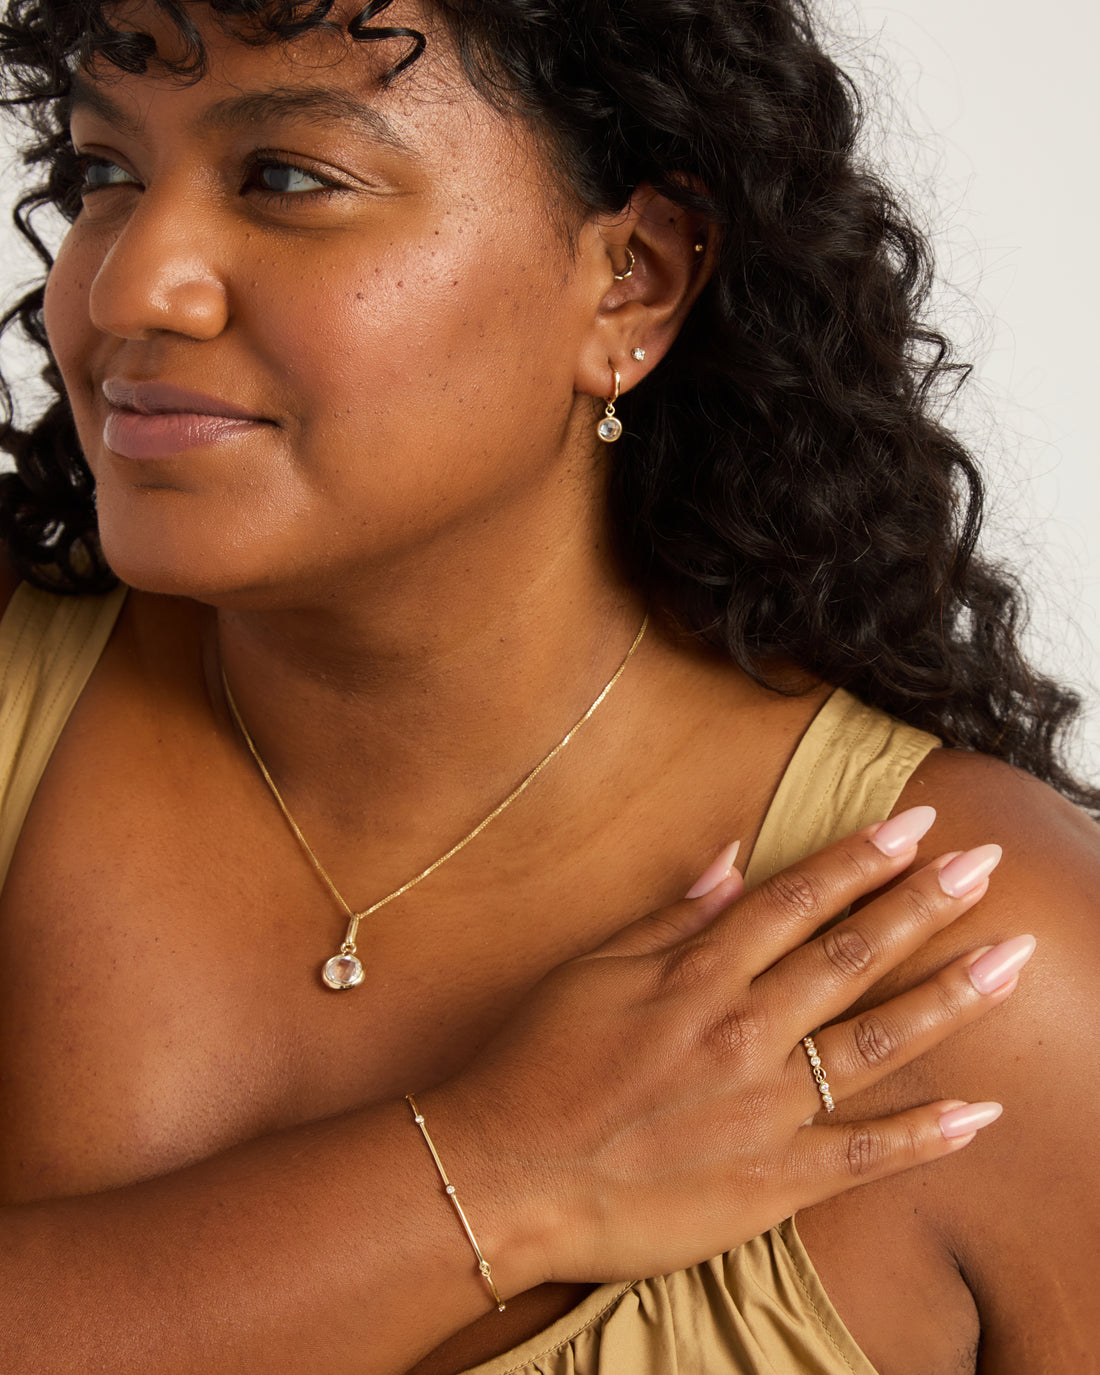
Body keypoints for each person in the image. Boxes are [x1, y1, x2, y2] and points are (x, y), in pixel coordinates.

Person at [0, 0, 1096, 1371]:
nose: (126, 289)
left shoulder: (983, 973)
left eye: (288, 178)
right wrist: (499, 1175)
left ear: (630, 279)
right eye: (108, 174)